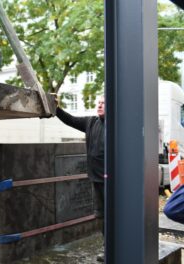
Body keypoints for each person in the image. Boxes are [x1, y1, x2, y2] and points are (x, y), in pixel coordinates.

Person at [55, 95, 105, 261]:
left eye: (103, 103)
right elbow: (70, 120)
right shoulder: (91, 122)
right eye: (98, 103)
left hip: (113, 181)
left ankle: (117, 245)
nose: (99, 106)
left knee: (114, 215)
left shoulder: (118, 125)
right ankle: (108, 247)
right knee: (102, 215)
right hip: (96, 178)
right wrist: (56, 108)